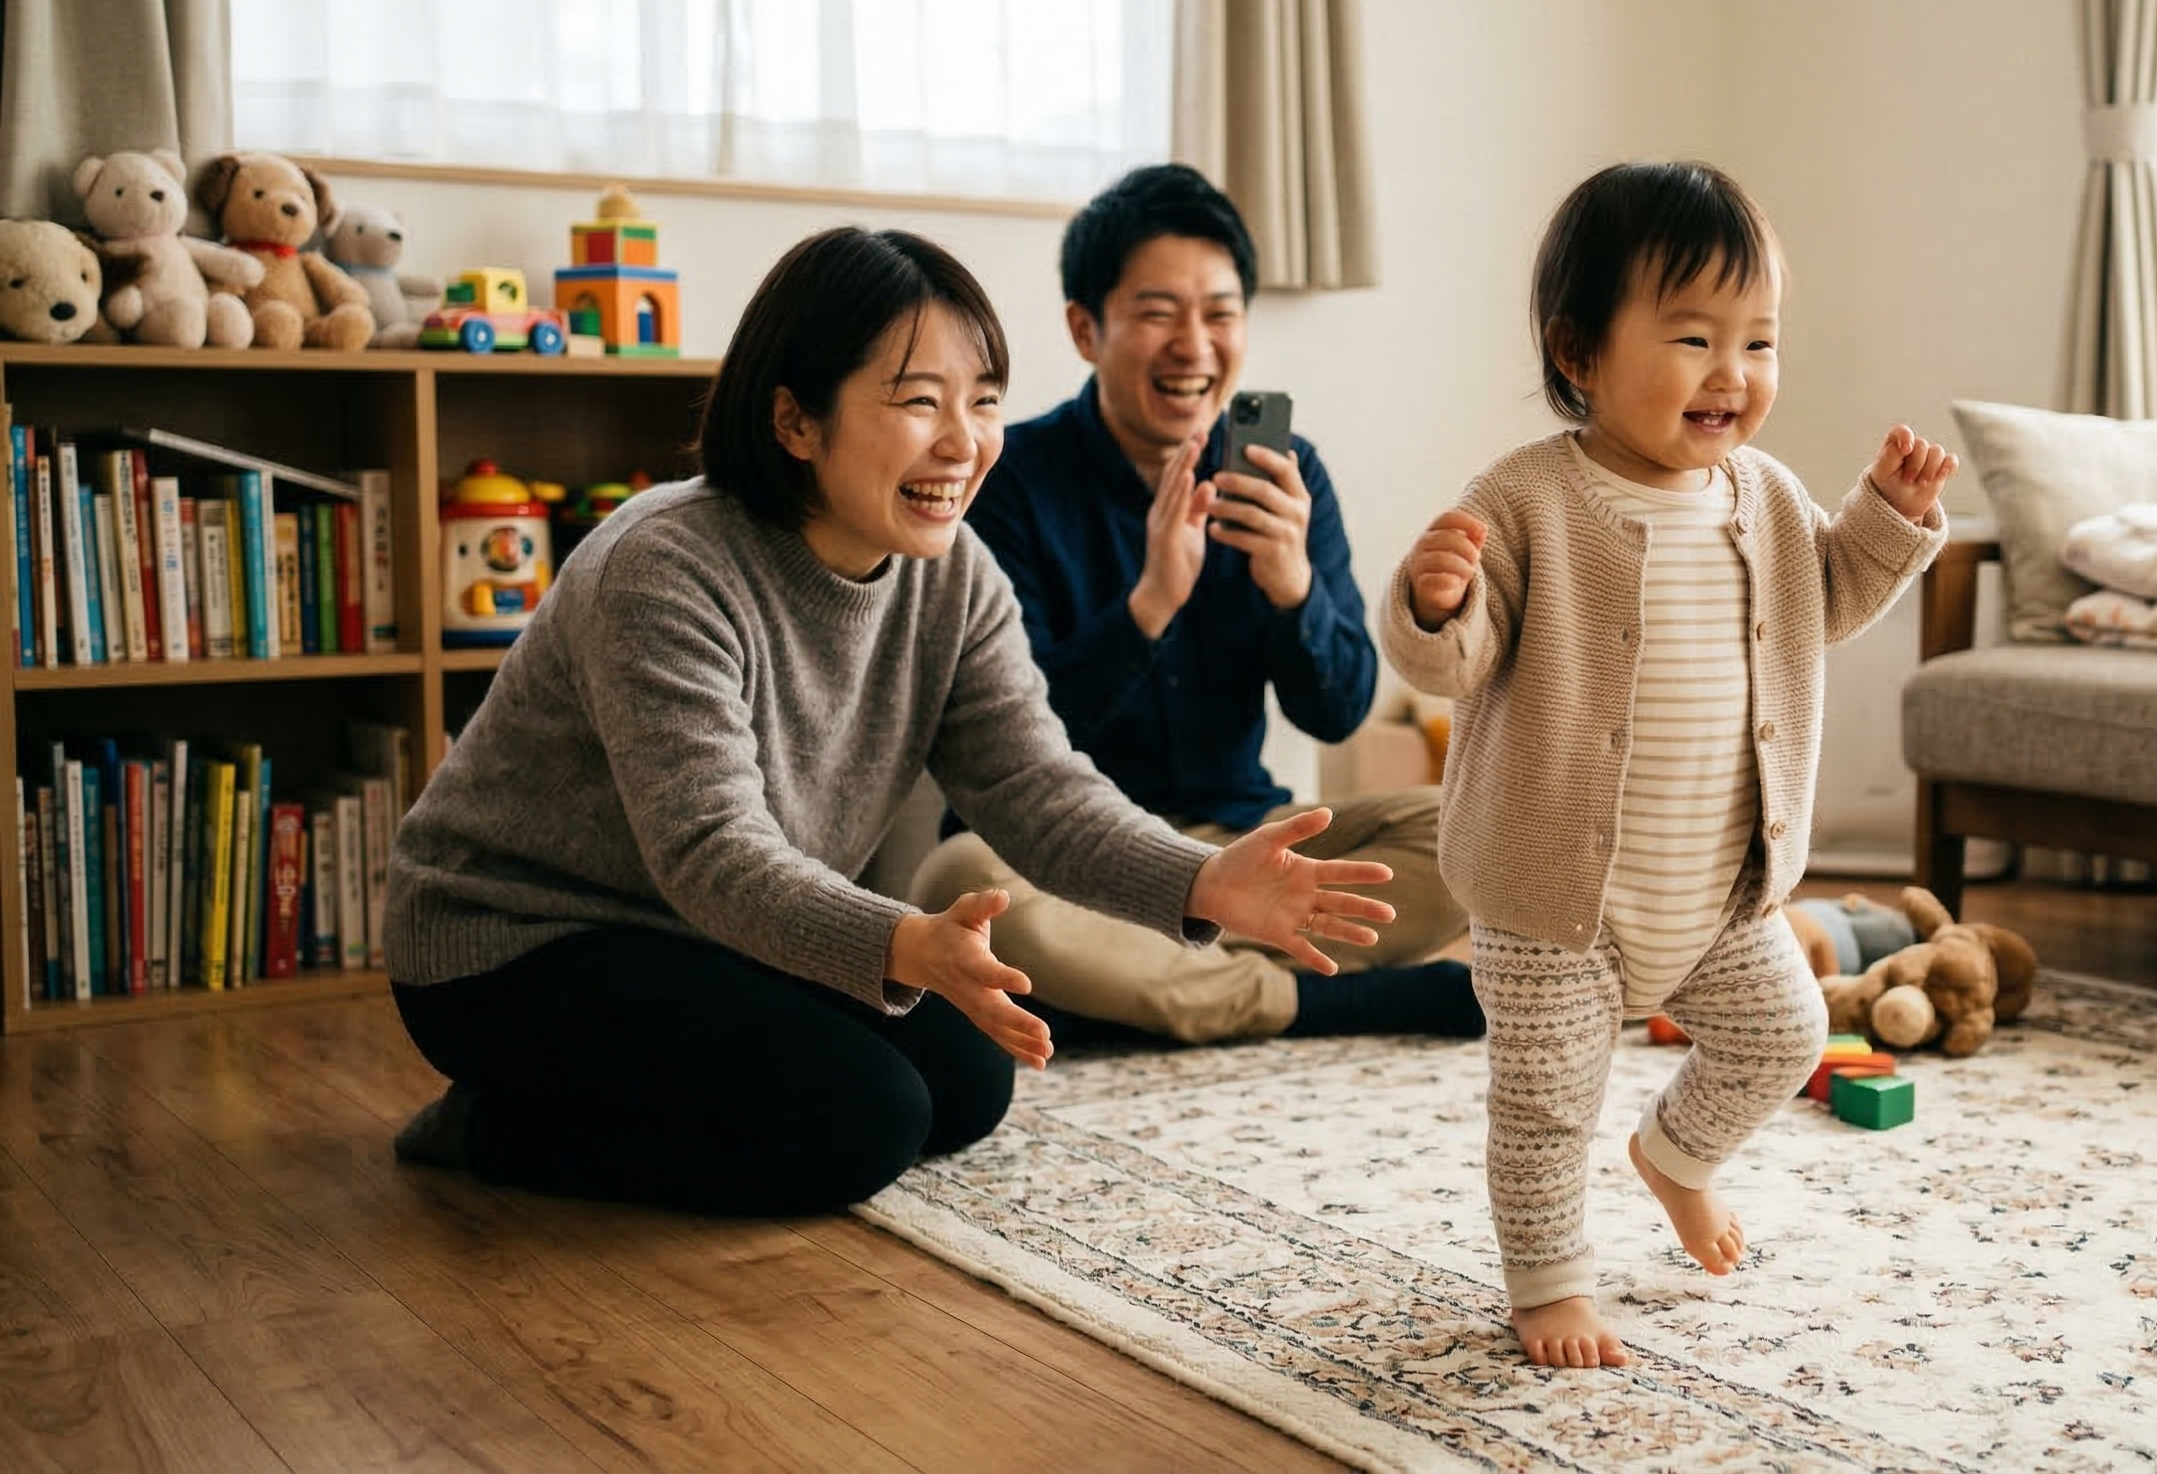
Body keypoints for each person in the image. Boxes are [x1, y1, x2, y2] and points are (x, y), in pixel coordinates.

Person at [382, 226, 1397, 1217]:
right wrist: (906, 943)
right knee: (858, 1120)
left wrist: (1203, 879)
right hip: (515, 945)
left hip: (703, 935)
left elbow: (1035, 787)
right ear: (795, 422)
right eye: (918, 403)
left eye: (983, 402)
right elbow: (709, 853)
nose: (963, 444)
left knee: (965, 1085)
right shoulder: (664, 567)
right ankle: (489, 1128)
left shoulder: (953, 574)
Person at [1382, 162, 1956, 1368]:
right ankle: (1546, 1284)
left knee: (1783, 1037)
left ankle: (1674, 1157)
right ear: (1579, 352)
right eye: (1692, 337)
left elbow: (1826, 599)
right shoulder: (1528, 498)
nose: (1731, 373)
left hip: (1713, 888)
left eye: (1757, 340)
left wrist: (1887, 520)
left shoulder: (1765, 493)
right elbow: (1458, 656)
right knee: (1543, 1105)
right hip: (1554, 903)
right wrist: (1434, 602)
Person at [911, 164, 1472, 1045]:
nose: (1194, 346)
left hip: (1246, 847)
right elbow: (996, 740)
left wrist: (1293, 585)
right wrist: (1149, 606)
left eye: (1218, 313)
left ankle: (1145, 994)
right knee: (961, 877)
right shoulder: (1003, 478)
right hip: (1071, 859)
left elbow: (1338, 713)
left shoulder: (1288, 472)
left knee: (1471, 827)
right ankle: (1312, 1002)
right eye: (1158, 313)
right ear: (1085, 328)